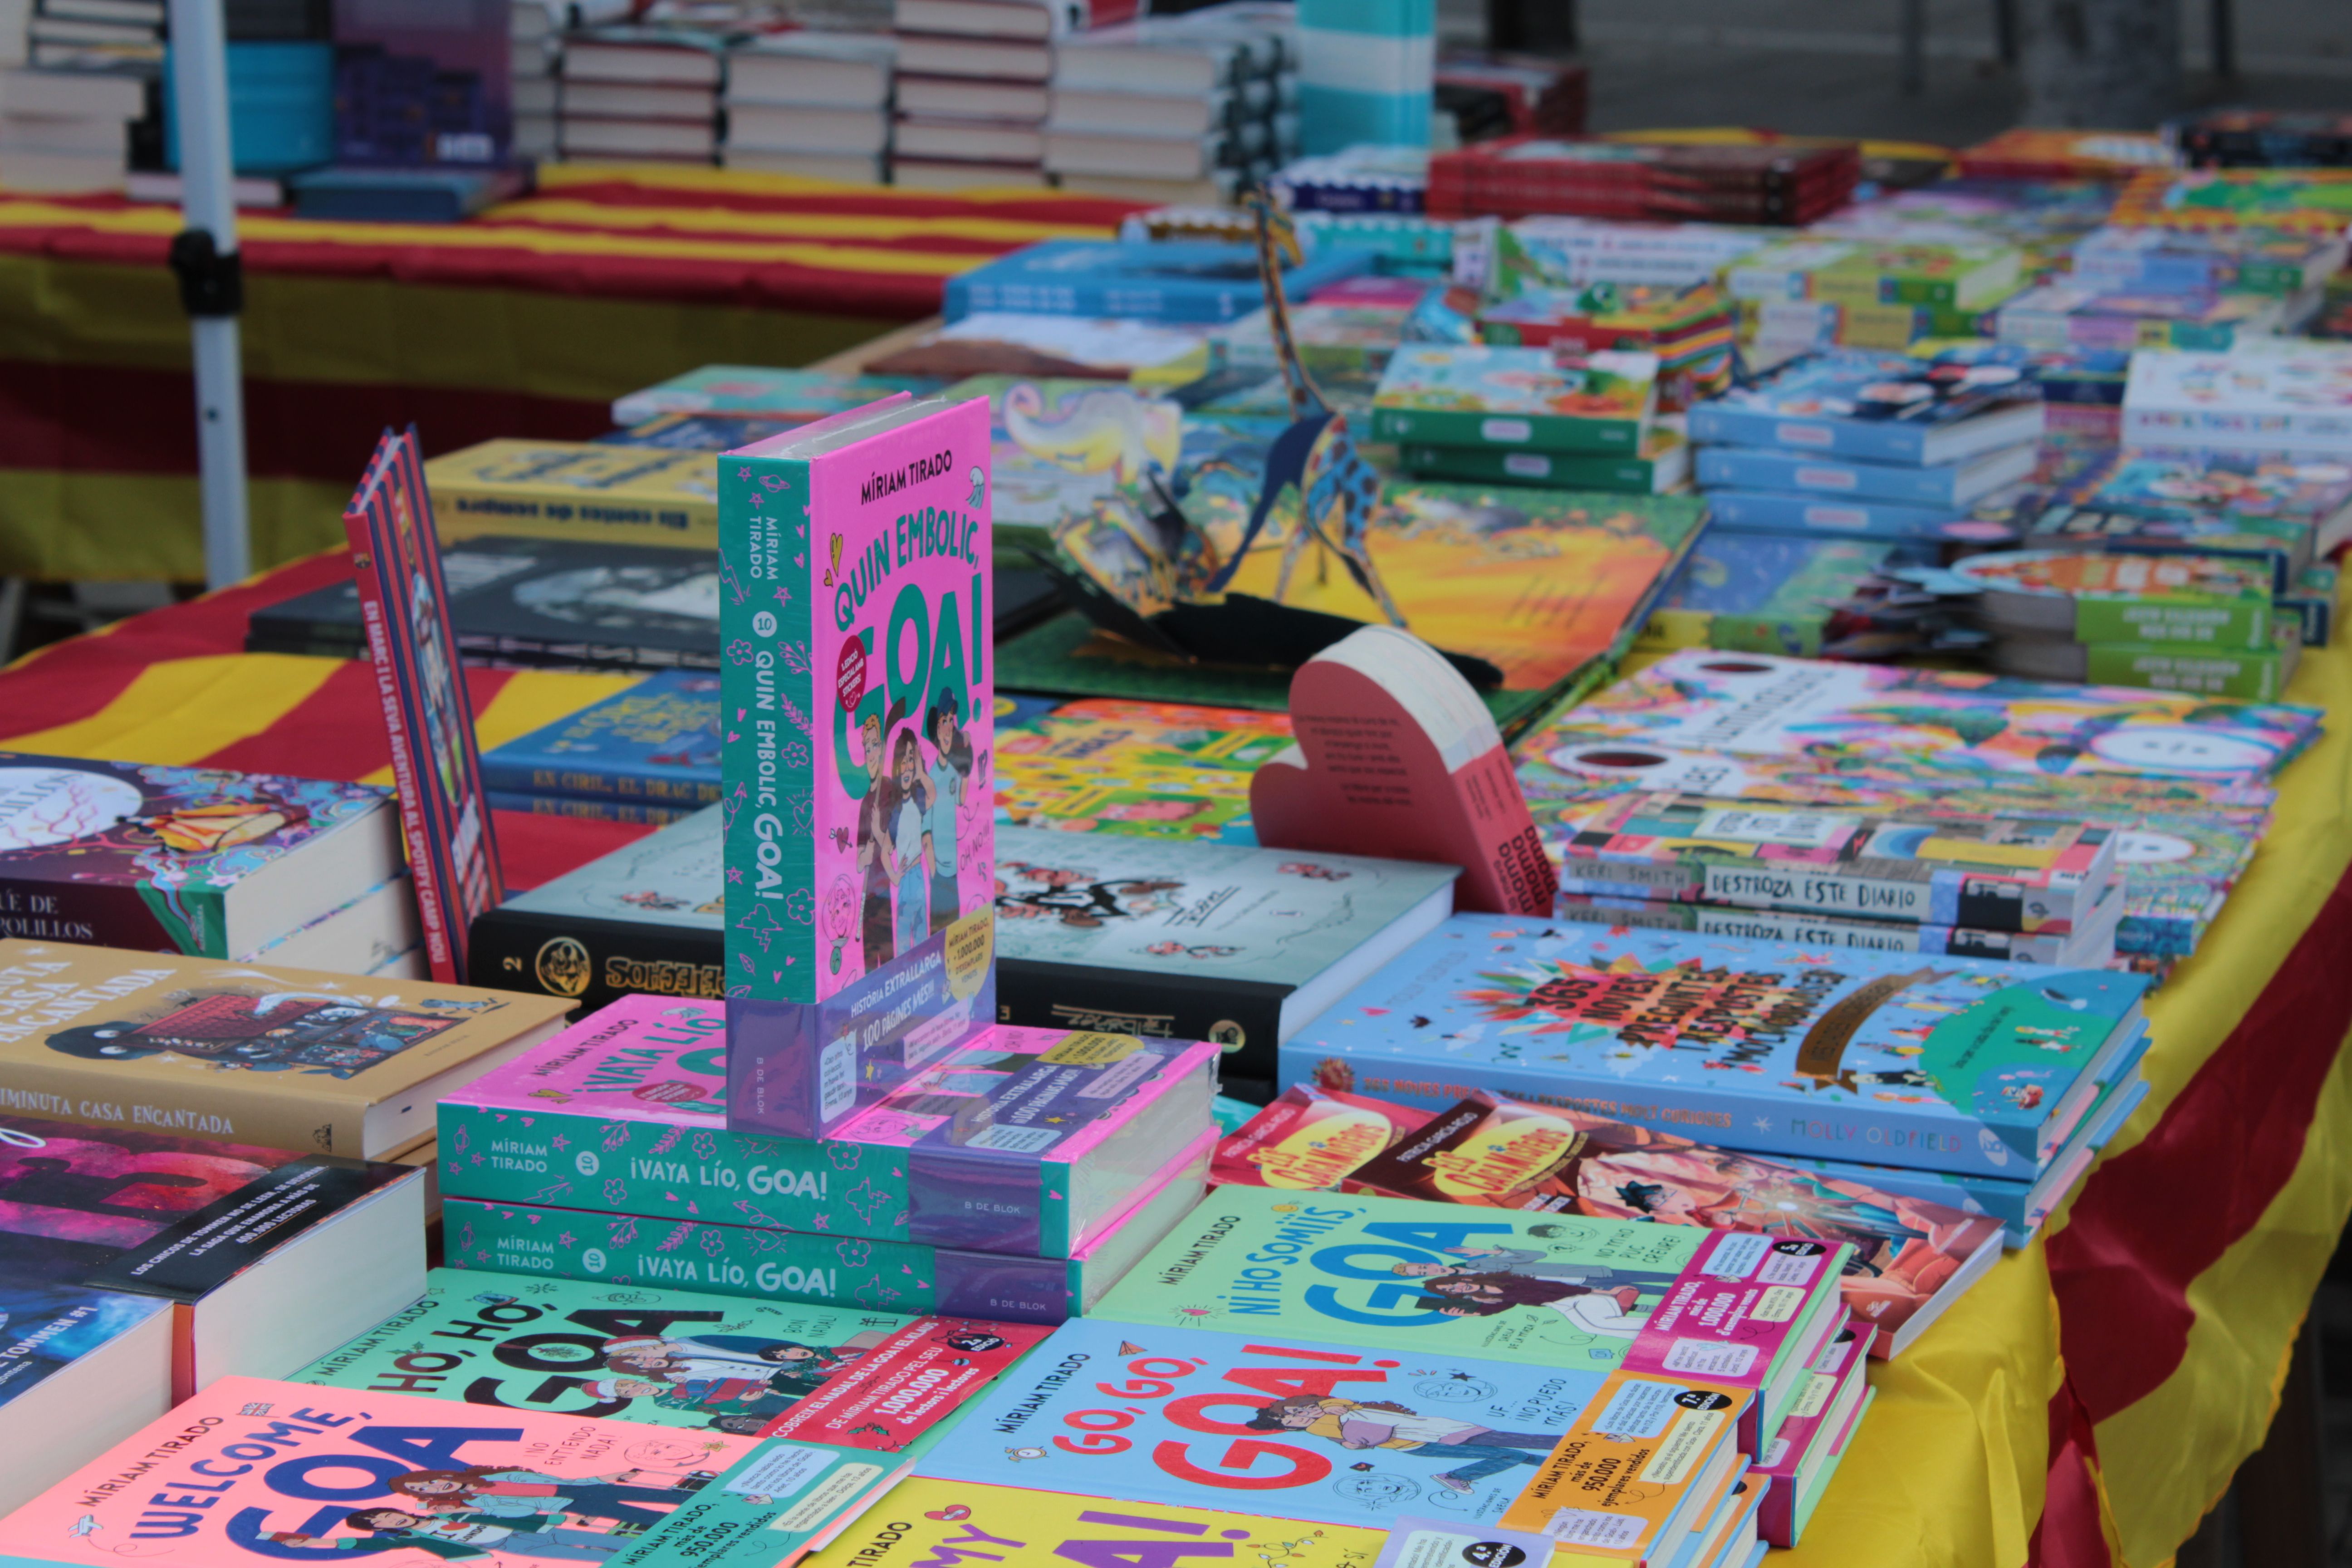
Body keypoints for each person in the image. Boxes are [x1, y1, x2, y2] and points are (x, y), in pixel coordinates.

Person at [1243, 1395, 1560, 1494]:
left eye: (1298, 1410)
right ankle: (1456, 1476)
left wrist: (1332, 1408)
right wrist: (1348, 1435)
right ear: (1290, 1428)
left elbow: (1339, 1404)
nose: (1301, 1415)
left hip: (1431, 1434)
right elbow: (1362, 1434)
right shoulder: (1320, 1424)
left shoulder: (1328, 1410)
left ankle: (1560, 1466)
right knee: (1519, 1444)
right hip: (1425, 1440)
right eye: (1292, 1419)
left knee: (1515, 1452)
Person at [385, 1466, 692, 1529]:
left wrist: (603, 1477)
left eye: (429, 1483)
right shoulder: (479, 1503)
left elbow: (560, 1480)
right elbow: (518, 1515)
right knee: (646, 1518)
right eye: (422, 1491)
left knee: (664, 1496)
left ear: (443, 1477)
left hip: (582, 1490)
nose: (432, 1489)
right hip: (571, 1503)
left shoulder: (495, 1477)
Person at [281, 1509, 621, 1562]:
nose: (392, 1518)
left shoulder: (450, 1513)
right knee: (590, 1557)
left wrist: (567, 1516)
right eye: (383, 1521)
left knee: (616, 1542)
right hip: (508, 1545)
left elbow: (505, 1514)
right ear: (384, 1528)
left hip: (529, 1530)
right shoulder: (404, 1539)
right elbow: (356, 1543)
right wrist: (311, 1542)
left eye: (388, 1512)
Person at [852, 709, 897, 970]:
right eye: (867, 747)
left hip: (888, 891)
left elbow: (897, 844)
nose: (871, 753)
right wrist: (864, 856)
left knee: (890, 960)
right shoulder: (865, 802)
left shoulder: (890, 789)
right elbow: (860, 863)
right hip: (868, 897)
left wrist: (881, 836)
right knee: (870, 966)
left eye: (875, 745)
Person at [924, 696, 972, 934]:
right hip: (940, 870)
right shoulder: (931, 776)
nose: (949, 727)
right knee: (939, 928)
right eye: (944, 721)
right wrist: (933, 871)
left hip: (953, 866)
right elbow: (926, 832)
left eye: (951, 721)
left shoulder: (953, 769)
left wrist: (967, 765)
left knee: (953, 926)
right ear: (935, 729)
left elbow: (961, 799)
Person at [888, 729, 931, 953]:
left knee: (921, 926)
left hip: (918, 874)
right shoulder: (895, 809)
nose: (907, 767)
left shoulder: (918, 799)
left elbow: (933, 795)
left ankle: (922, 967)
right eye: (903, 762)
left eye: (911, 761)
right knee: (905, 929)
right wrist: (895, 876)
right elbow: (887, 846)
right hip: (906, 878)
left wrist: (922, 773)